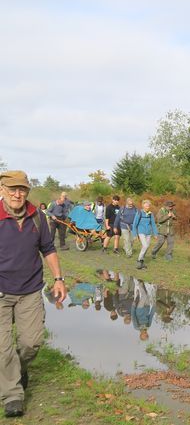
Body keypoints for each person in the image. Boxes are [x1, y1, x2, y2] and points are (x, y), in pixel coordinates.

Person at [0, 170, 67, 418]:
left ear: (28, 191)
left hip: (30, 290)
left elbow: (48, 248)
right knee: (2, 348)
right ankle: (13, 396)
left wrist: (58, 279)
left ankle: (16, 369)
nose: (17, 194)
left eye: (22, 189)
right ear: (2, 190)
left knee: (31, 343)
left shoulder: (37, 215)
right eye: (12, 189)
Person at [132, 200, 158, 270]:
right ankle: (139, 260)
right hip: (141, 232)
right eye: (146, 206)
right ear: (143, 206)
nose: (148, 207)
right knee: (145, 246)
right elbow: (134, 224)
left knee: (146, 247)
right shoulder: (139, 213)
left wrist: (155, 233)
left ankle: (141, 261)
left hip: (148, 233)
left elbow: (153, 224)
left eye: (149, 206)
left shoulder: (150, 214)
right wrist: (134, 234)